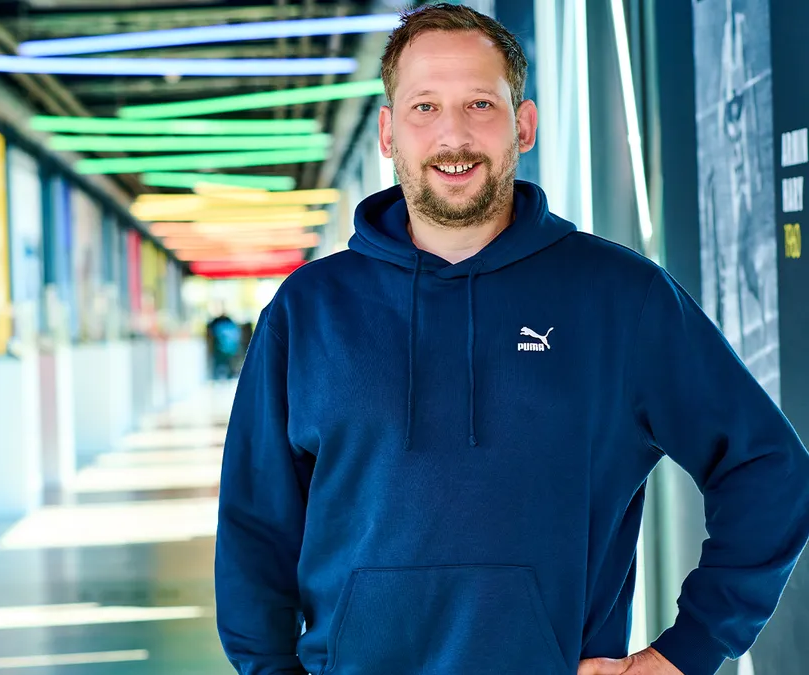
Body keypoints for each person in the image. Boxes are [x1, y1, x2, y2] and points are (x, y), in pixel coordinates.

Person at [213, 6, 809, 675]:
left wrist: (686, 651)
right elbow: (254, 527)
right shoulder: (309, 309)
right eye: (424, 108)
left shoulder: (618, 296)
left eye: (479, 104)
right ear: (387, 133)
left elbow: (769, 468)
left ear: (522, 125)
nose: (454, 135)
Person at [209, 308, 243, 381]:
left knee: (219, 370)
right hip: (231, 350)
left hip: (221, 351)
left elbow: (211, 336)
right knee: (229, 369)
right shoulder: (232, 325)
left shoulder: (217, 326)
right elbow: (237, 336)